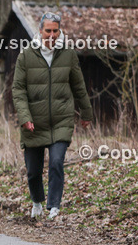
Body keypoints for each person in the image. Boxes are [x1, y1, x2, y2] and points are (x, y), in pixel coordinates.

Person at [12, 11, 92, 219]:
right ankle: (37, 201)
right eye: (48, 31)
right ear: (40, 31)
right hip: (33, 121)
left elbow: (78, 85)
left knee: (57, 162)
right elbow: (18, 89)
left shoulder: (68, 54)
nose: (52, 35)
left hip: (61, 119)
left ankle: (54, 206)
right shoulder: (26, 55)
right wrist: (24, 117)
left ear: (59, 31)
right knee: (33, 172)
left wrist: (86, 112)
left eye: (55, 31)